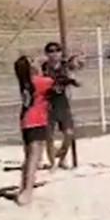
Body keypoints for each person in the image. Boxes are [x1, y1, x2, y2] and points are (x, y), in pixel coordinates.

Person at [13, 55, 57, 206]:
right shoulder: (38, 82)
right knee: (34, 157)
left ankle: (24, 188)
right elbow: (55, 82)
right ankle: (27, 191)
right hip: (36, 120)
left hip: (27, 120)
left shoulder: (26, 82)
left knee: (30, 157)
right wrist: (47, 64)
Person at [41, 41, 82, 170]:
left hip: (62, 102)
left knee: (69, 133)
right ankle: (52, 162)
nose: (54, 54)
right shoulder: (43, 68)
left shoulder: (65, 67)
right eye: (50, 51)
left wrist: (73, 77)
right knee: (49, 135)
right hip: (47, 102)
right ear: (46, 54)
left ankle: (62, 157)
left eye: (57, 51)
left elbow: (77, 77)